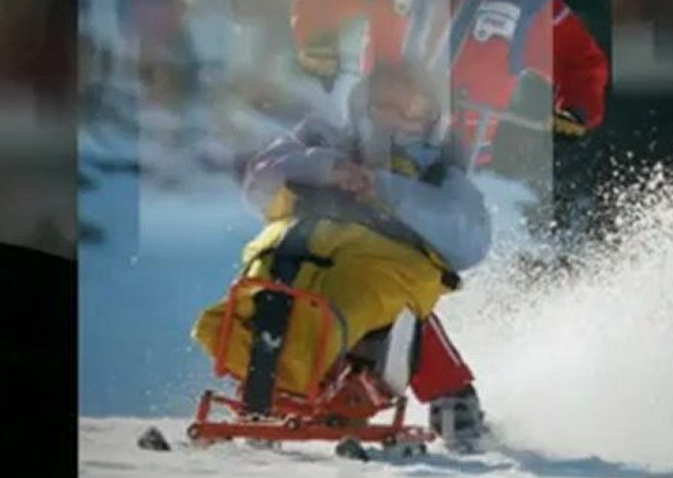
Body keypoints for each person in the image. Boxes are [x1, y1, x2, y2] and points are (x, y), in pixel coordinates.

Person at [287, 0, 609, 451]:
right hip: (370, 130)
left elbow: (581, 58)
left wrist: (579, 106)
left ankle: (403, 388)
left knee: (396, 258)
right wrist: (314, 38)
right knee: (348, 249)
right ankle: (373, 384)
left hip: (447, 153)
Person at [191, 61, 492, 416]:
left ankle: (451, 404)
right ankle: (270, 377)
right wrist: (326, 168)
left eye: (409, 109)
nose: (396, 118)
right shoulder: (324, 140)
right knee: (256, 303)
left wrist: (384, 189)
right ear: (362, 106)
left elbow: (469, 238)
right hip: (293, 258)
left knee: (398, 310)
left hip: (375, 276)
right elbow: (260, 182)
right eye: (385, 106)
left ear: (430, 117)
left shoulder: (440, 173)